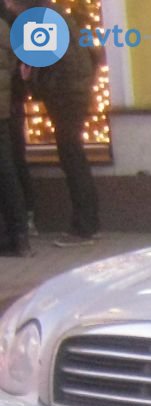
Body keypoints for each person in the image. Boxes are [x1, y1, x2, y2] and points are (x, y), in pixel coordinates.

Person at [38, 0, 104, 246]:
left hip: (66, 98)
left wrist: (39, 84)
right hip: (74, 96)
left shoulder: (46, 21)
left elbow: (51, 63)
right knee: (74, 157)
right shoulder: (60, 18)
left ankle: (84, 227)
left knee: (72, 158)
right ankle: (88, 224)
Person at [0, 7, 31, 253]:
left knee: (7, 170)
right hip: (5, 108)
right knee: (8, 169)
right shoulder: (8, 26)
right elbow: (15, 68)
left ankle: (15, 234)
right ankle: (19, 233)